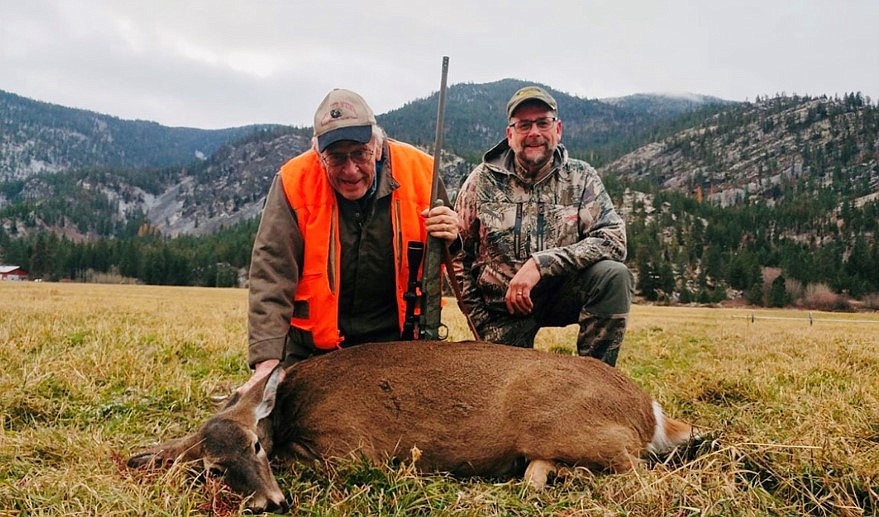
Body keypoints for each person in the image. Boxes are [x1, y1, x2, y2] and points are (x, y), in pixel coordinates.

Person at [241, 88, 460, 392]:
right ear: (318, 155)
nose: (350, 169)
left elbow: (452, 253)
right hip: (315, 352)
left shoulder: (423, 172)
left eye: (359, 153)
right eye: (337, 158)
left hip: (398, 347)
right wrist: (266, 362)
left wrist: (453, 236)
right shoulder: (293, 182)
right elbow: (271, 272)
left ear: (378, 146)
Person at [453, 85, 634, 366]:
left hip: (563, 293)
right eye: (524, 125)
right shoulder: (481, 181)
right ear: (510, 134)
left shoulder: (581, 177)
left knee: (613, 275)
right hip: (502, 309)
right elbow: (456, 254)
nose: (534, 132)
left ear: (558, 129)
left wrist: (540, 264)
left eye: (542, 122)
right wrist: (478, 317)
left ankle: (598, 377)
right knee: (505, 389)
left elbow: (612, 239)